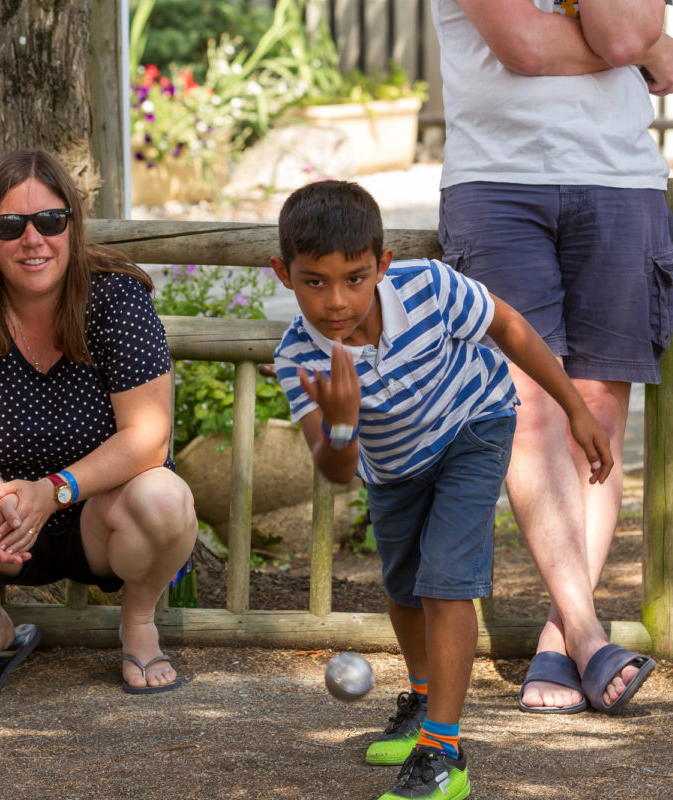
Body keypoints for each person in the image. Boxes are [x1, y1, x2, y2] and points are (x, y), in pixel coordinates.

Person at [270, 179, 614, 800]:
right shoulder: (300, 356)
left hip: (472, 427)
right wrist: (343, 423)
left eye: (353, 277)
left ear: (382, 265)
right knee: (404, 587)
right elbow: (337, 470)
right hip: (392, 467)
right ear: (282, 274)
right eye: (314, 282)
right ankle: (424, 698)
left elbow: (509, 328)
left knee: (446, 578)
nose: (337, 300)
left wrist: (573, 409)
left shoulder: (429, 286)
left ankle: (442, 751)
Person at [431, 0, 673, 714]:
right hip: (497, 179)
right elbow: (524, 45)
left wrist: (637, 42)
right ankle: (586, 627)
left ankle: (559, 638)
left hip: (620, 179)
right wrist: (645, 49)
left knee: (600, 412)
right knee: (529, 411)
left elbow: (619, 30)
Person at [0, 148, 197, 700]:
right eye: (11, 225)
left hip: (102, 518)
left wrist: (54, 492)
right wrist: (4, 496)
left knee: (167, 500)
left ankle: (139, 623)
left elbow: (148, 439)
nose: (32, 239)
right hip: (3, 521)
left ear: (73, 227)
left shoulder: (117, 299)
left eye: (50, 220)